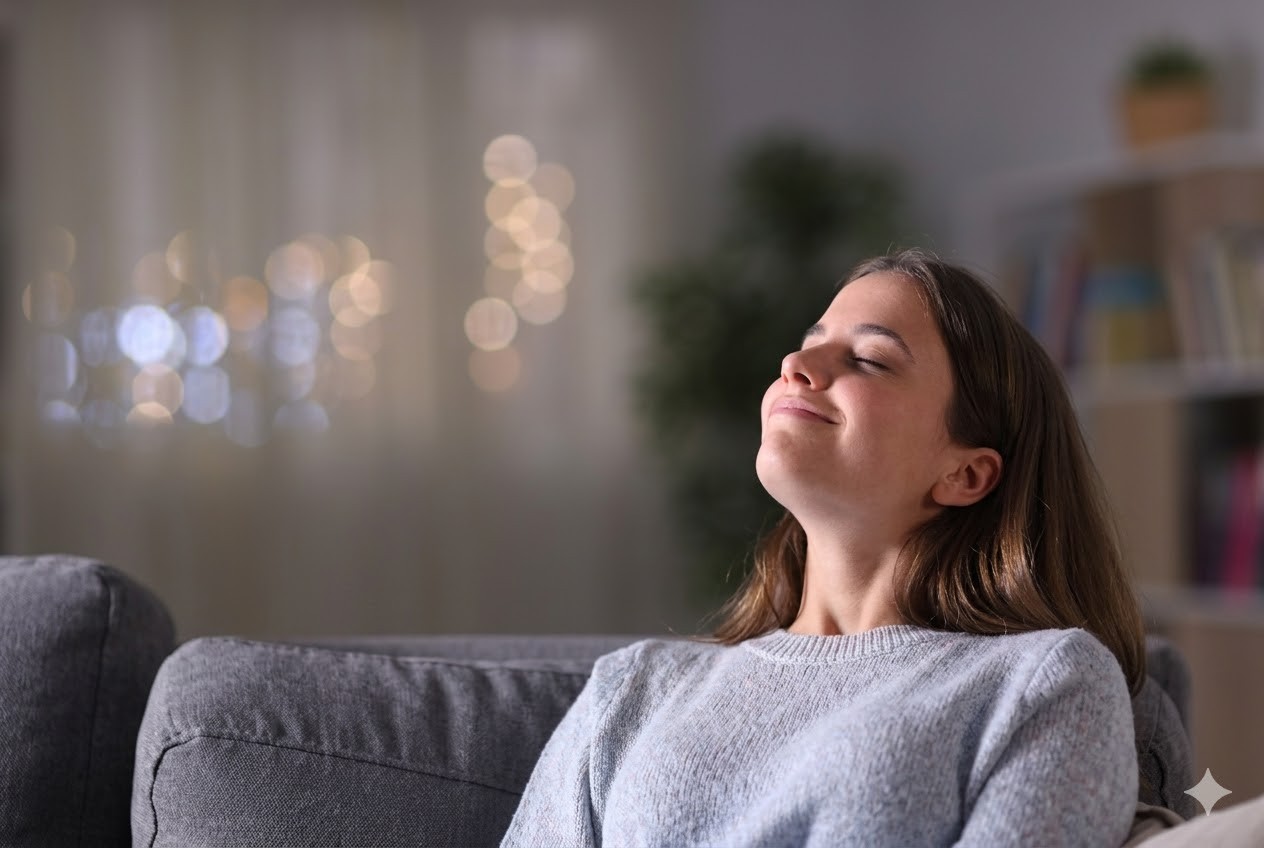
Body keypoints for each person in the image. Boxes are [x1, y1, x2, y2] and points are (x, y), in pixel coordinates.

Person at [500, 248, 1145, 847]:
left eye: (869, 359)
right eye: (809, 345)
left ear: (965, 474)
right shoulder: (634, 689)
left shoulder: (1043, 684)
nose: (794, 367)